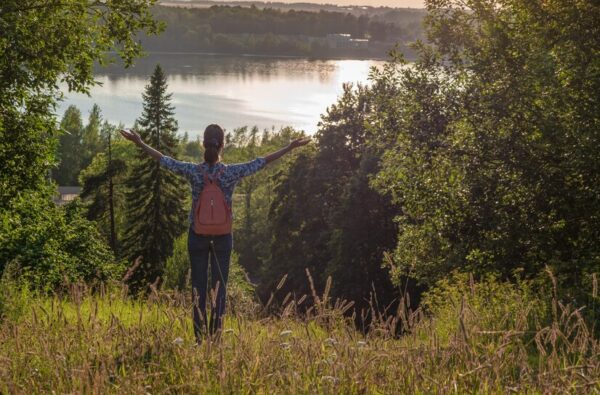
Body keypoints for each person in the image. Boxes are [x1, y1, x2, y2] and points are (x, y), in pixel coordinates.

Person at [120, 124, 310, 341]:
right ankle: (215, 342)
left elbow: (165, 161)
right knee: (219, 291)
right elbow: (261, 162)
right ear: (222, 145)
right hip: (222, 238)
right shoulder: (230, 173)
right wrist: (289, 147)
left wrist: (140, 142)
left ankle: (200, 340)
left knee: (198, 290)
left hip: (197, 235)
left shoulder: (193, 171)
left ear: (203, 143)